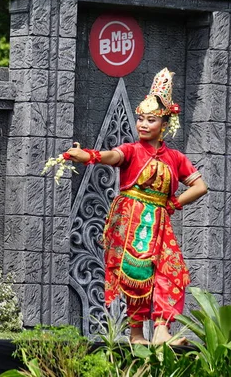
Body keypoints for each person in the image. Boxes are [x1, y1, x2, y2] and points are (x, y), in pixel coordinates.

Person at [65, 68, 208, 345]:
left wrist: (173, 203)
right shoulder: (132, 150)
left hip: (159, 222)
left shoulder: (175, 157)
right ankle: (135, 334)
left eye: (150, 120)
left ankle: (163, 330)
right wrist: (89, 156)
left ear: (164, 124)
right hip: (130, 220)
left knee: (171, 270)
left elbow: (200, 186)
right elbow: (112, 155)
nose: (142, 124)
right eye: (140, 118)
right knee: (136, 275)